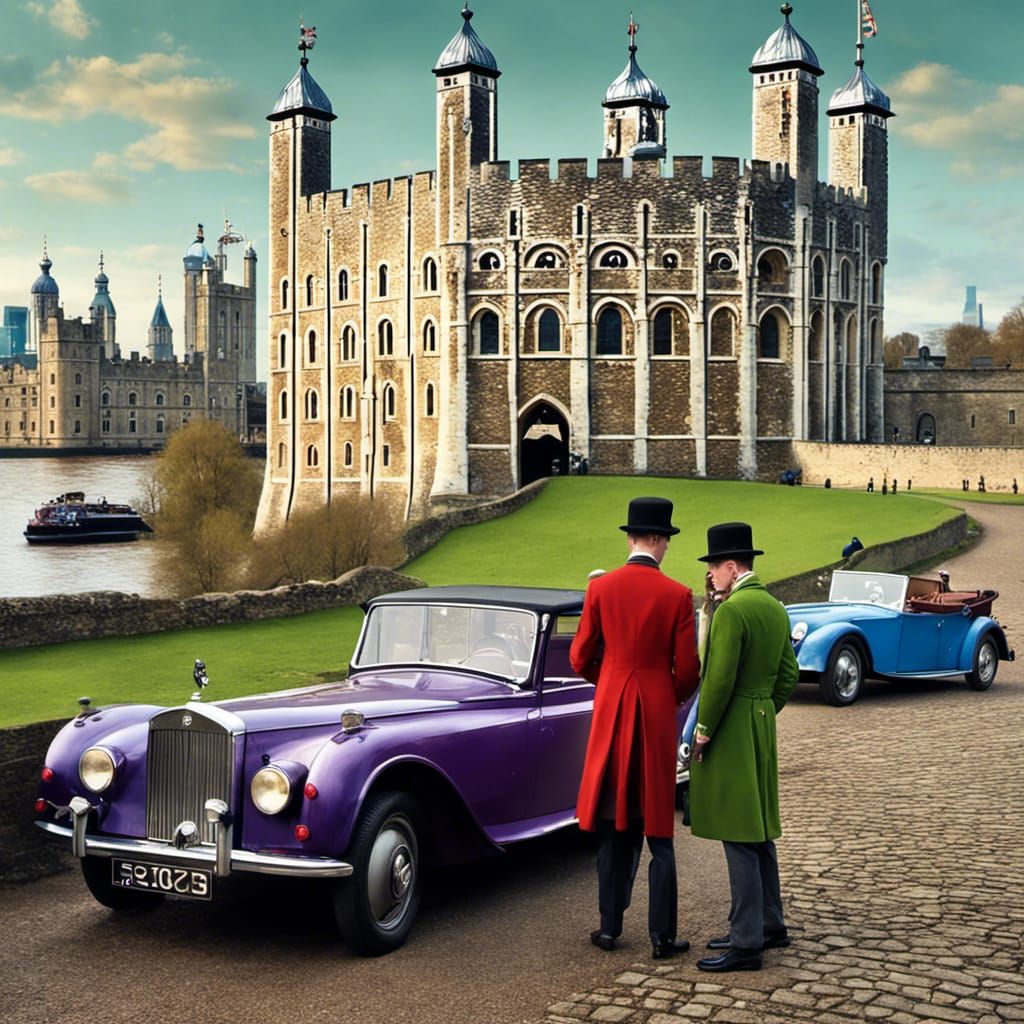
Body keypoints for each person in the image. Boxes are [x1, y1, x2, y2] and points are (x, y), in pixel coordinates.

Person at [571, 496, 701, 959]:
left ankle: (608, 929)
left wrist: (608, 680)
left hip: (611, 716)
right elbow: (688, 671)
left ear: (630, 539)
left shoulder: (601, 590)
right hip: (654, 719)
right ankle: (662, 938)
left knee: (612, 829)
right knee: (659, 835)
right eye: (666, 541)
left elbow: (579, 657)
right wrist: (664, 692)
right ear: (661, 541)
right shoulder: (678, 595)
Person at [688, 522, 799, 973]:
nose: (711, 575)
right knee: (758, 831)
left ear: (732, 567)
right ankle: (770, 924)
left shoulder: (733, 612)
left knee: (737, 832)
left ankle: (746, 940)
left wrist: (704, 728)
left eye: (714, 567)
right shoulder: (773, 607)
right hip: (758, 724)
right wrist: (763, 711)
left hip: (732, 724)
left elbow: (718, 678)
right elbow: (788, 673)